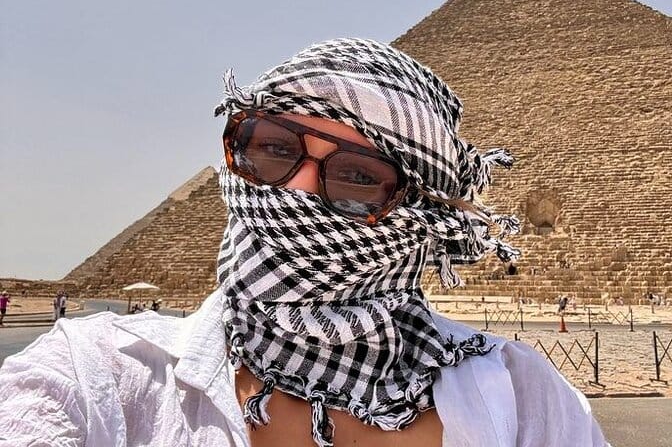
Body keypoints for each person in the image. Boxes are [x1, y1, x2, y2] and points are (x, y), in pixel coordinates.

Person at [0, 38, 607, 446]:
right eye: (272, 147)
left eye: (359, 176)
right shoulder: (100, 375)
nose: (297, 188)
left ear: (421, 211)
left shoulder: (523, 399)